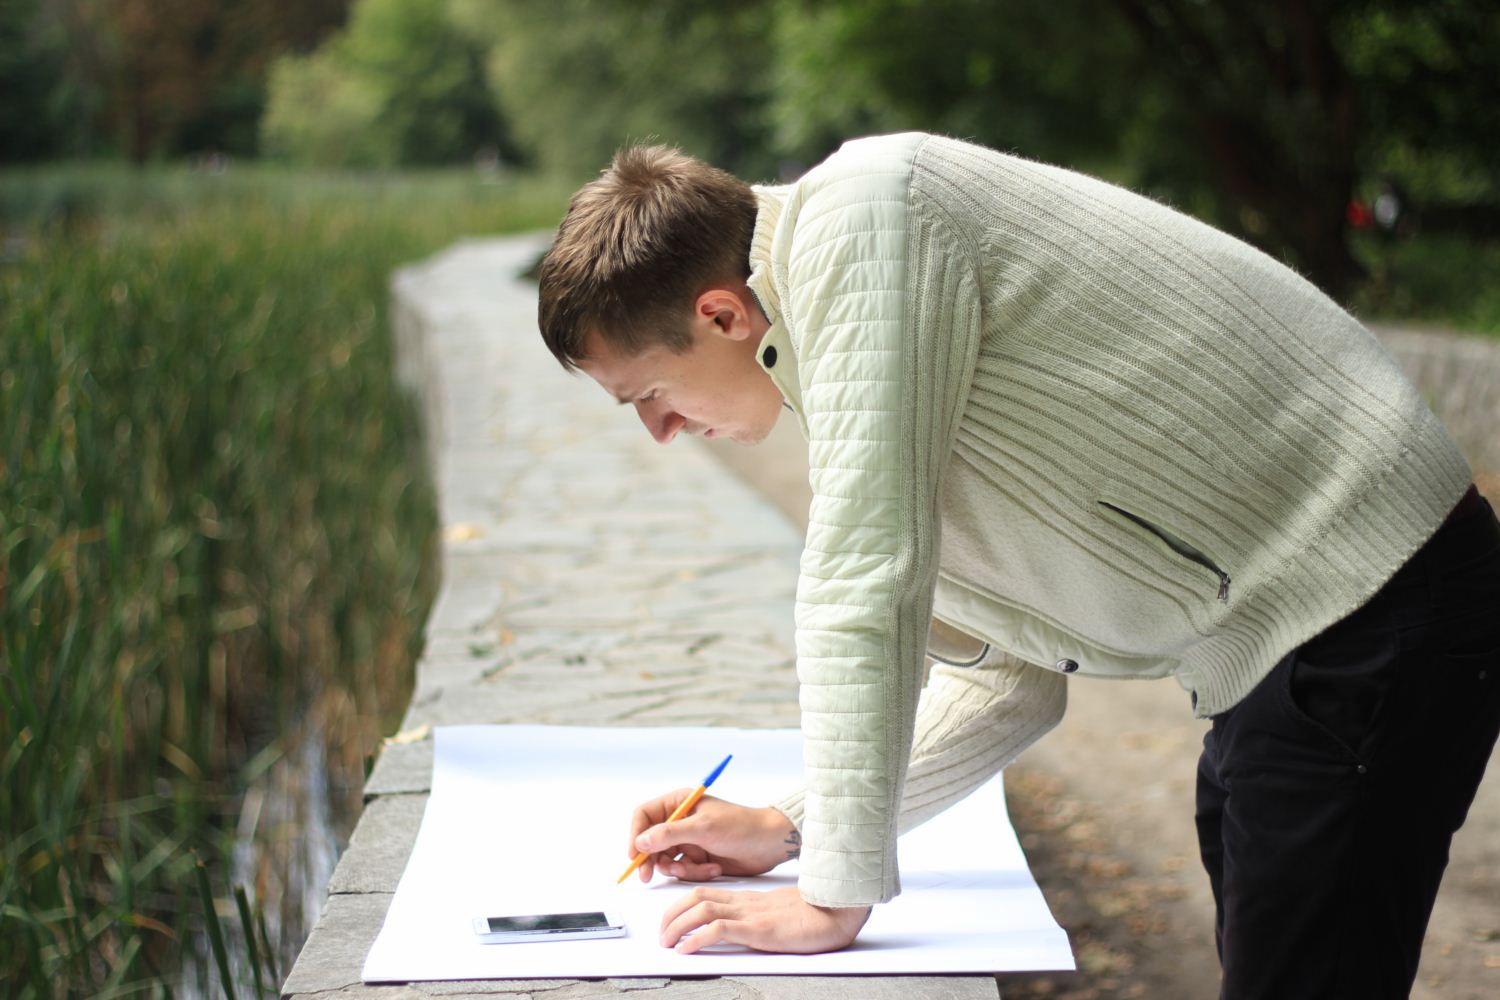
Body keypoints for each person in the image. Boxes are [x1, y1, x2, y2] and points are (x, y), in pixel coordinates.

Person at [535, 131, 1500, 998]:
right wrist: (791, 825)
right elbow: (1008, 681)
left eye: (648, 394)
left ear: (721, 315)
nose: (661, 431)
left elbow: (861, 578)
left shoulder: (864, 219)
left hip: (1371, 594)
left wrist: (832, 895)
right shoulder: (864, 355)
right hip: (1295, 639)